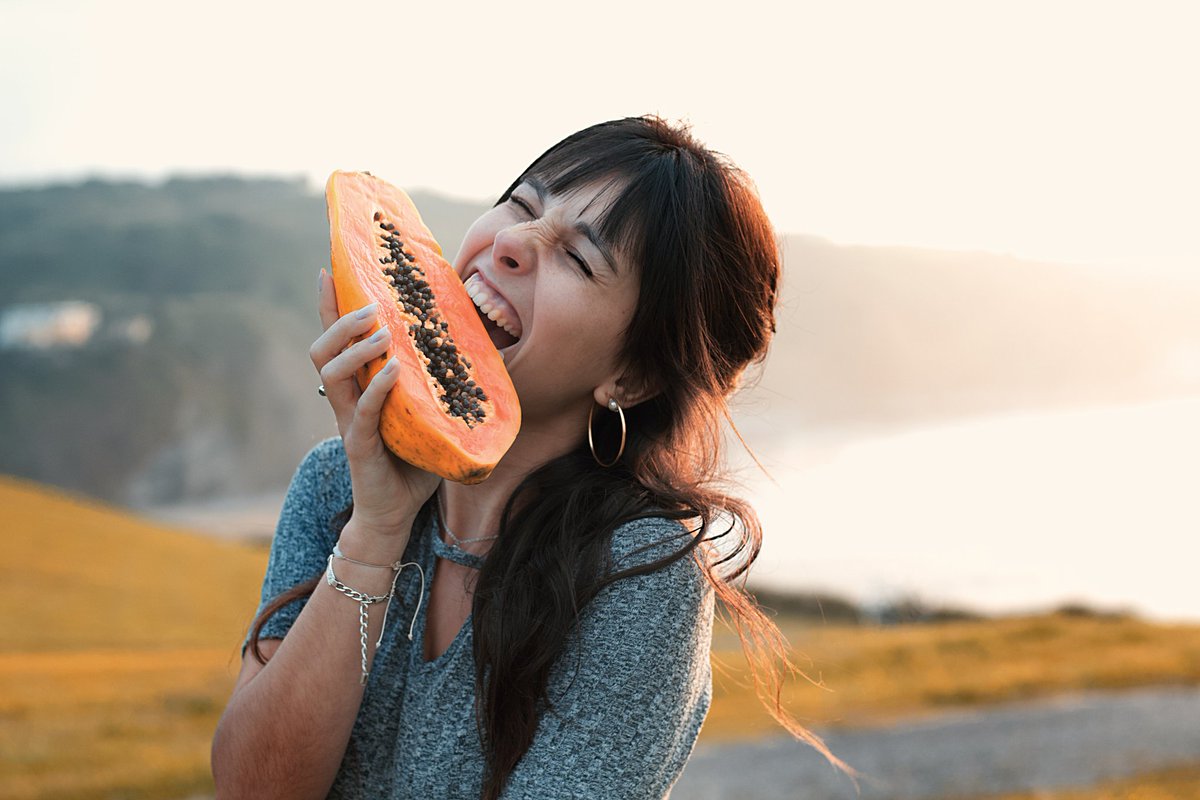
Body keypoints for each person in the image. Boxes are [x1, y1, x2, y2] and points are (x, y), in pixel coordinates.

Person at [211, 115, 858, 799]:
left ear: (631, 379)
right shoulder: (333, 484)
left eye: (579, 259)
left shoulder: (639, 573)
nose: (515, 243)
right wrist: (373, 535)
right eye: (521, 205)